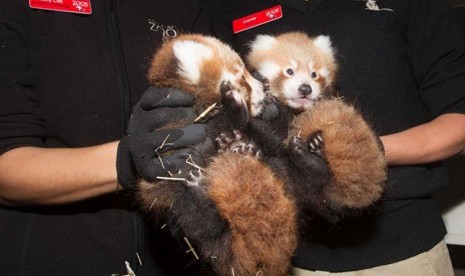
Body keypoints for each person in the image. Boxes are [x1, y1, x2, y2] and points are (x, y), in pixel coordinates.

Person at [198, 0, 465, 275]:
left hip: (402, 251)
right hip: (287, 255)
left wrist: (353, 152)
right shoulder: (226, 10)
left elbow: (459, 124)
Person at [0, 1, 210, 275]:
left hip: (176, 259)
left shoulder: (190, 8)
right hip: (56, 257)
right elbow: (7, 165)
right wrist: (129, 161)